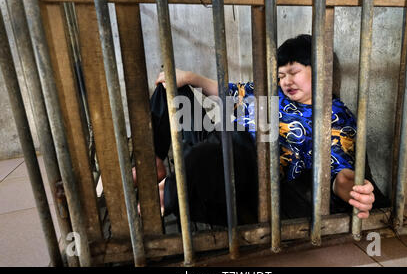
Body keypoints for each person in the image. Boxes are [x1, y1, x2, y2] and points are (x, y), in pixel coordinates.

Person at [148, 34, 389, 227]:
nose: (285, 82)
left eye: (294, 73)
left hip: (250, 165)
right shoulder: (273, 91)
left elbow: (341, 175)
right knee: (170, 89)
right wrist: (190, 77)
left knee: (223, 150)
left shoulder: (335, 117)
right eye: (281, 75)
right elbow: (231, 91)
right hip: (220, 143)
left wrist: (356, 192)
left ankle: (170, 188)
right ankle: (158, 161)